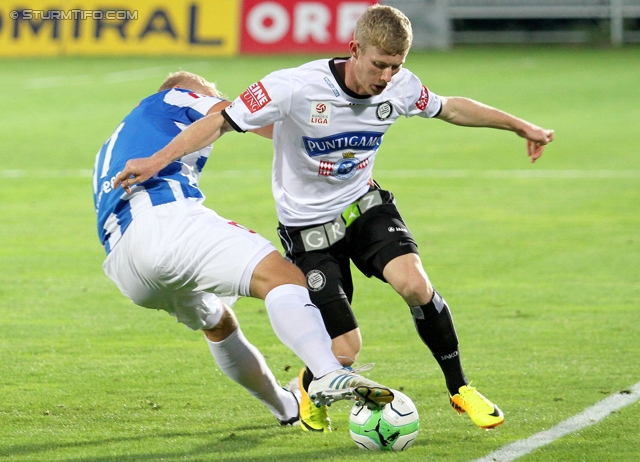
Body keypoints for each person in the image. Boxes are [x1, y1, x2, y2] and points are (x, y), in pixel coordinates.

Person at [114, 5, 554, 433]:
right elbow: (220, 122)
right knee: (344, 351)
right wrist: (158, 159)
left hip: (364, 208)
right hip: (307, 231)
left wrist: (520, 126)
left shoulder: (400, 87)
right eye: (379, 65)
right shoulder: (292, 86)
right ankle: (308, 387)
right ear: (354, 50)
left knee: (415, 284)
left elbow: (451, 107)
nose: (386, 78)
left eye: (395, 67)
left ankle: (461, 388)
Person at [93, 71, 395, 428]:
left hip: (127, 266)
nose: (216, 96)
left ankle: (286, 408)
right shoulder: (172, 98)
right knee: (284, 277)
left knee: (219, 323)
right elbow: (245, 116)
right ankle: (327, 371)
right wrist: (334, 132)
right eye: (210, 92)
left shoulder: (115, 143)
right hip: (166, 221)